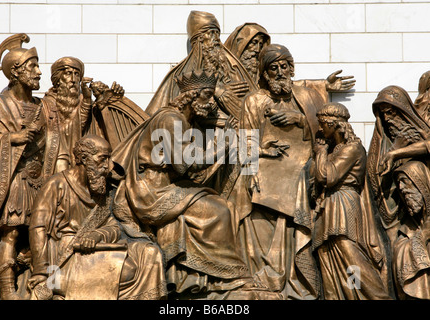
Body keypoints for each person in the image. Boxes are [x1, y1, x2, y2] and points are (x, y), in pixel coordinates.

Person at [111, 70, 251, 299]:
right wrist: (223, 145)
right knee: (219, 210)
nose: (211, 103)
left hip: (163, 185)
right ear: (191, 96)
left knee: (219, 204)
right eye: (206, 95)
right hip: (151, 192)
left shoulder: (181, 119)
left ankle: (197, 277)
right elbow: (185, 163)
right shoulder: (171, 119)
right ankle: (223, 277)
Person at [229, 44, 325, 299]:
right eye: (273, 68)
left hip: (302, 168)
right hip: (266, 169)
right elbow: (246, 140)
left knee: (297, 194)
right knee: (251, 198)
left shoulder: (305, 97)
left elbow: (324, 133)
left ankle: (293, 277)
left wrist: (300, 120)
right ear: (264, 73)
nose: (280, 72)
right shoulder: (255, 100)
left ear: (291, 68)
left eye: (284, 66)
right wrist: (252, 169)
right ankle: (266, 274)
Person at [27, 135, 167, 300]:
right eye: (103, 159)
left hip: (95, 251)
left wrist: (97, 235)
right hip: (64, 259)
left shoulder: (102, 192)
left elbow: (113, 227)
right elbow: (38, 228)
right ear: (84, 159)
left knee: (150, 254)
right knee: (128, 271)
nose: (108, 167)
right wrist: (41, 273)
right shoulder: (56, 185)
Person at [0, 34, 45, 300]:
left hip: (39, 180)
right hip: (12, 180)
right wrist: (10, 139)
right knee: (11, 233)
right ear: (15, 72)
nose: (39, 72)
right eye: (33, 66)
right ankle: (6, 291)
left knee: (37, 234)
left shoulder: (42, 106)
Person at [312, 102, 391, 300]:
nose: (320, 129)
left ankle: (376, 296)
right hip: (330, 205)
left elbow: (326, 176)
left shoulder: (352, 149)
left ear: (335, 124)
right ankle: (346, 295)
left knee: (349, 253)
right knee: (328, 254)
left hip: (344, 203)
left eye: (323, 124)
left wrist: (320, 152)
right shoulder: (336, 149)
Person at [145, 11, 256, 126]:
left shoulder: (233, 70)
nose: (216, 40)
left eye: (217, 34)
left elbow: (250, 110)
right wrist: (216, 92)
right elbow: (175, 110)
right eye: (210, 34)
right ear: (198, 41)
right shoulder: (179, 74)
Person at [224, 22, 356, 101]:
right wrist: (221, 91)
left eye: (261, 44)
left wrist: (324, 85)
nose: (258, 49)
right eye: (254, 43)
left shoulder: (263, 75)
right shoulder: (224, 68)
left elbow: (287, 84)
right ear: (240, 43)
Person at [367, 85, 430, 246]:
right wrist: (394, 149)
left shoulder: (424, 130)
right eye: (383, 113)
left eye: (390, 112)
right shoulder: (384, 141)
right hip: (401, 214)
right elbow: (375, 174)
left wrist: (396, 153)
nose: (387, 118)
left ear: (402, 110)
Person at [393, 161, 430, 300]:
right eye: (398, 184)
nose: (401, 188)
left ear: (420, 183)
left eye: (404, 181)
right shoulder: (406, 229)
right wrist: (422, 236)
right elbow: (400, 253)